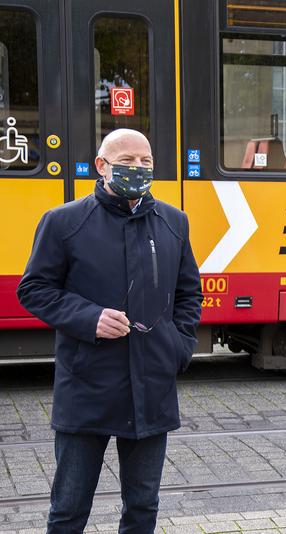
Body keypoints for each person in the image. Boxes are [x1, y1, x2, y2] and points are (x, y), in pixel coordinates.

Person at [17, 128, 203, 533]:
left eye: (146, 161)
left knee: (142, 507)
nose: (137, 168)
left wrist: (179, 346)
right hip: (87, 389)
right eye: (127, 160)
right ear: (101, 166)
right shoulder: (64, 222)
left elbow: (190, 292)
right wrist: (88, 318)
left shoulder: (174, 222)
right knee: (68, 510)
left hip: (152, 389)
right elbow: (33, 289)